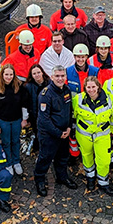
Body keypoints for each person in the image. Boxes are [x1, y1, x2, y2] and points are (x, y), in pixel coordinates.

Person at [34, 66, 78, 195]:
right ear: (52, 77)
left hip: (64, 132)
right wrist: (59, 133)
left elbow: (69, 111)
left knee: (63, 157)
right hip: (49, 134)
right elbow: (44, 119)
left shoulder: (67, 90)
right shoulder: (45, 94)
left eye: (62, 76)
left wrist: (69, 127)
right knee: (45, 158)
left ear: (65, 77)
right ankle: (40, 180)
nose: (60, 78)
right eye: (57, 76)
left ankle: (62, 177)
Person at [72, 76, 113, 194]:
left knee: (104, 161)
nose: (91, 90)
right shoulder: (78, 99)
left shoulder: (108, 99)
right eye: (88, 87)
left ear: (98, 87)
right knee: (87, 157)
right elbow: (73, 115)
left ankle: (103, 182)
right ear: (85, 87)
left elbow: (112, 115)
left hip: (102, 135)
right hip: (84, 135)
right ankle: (90, 179)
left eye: (93, 87)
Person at [0, 63, 30, 176]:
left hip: (17, 120)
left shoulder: (19, 86)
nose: (8, 77)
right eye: (6, 74)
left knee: (16, 141)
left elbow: (24, 103)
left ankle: (16, 161)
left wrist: (24, 119)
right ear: (2, 75)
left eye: (11, 74)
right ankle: (8, 163)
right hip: (3, 121)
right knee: (6, 143)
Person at [23, 64, 50, 153]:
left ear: (42, 73)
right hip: (35, 116)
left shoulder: (50, 84)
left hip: (49, 115)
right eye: (34, 73)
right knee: (39, 134)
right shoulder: (28, 86)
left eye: (38, 72)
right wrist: (25, 118)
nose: (37, 75)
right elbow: (25, 103)